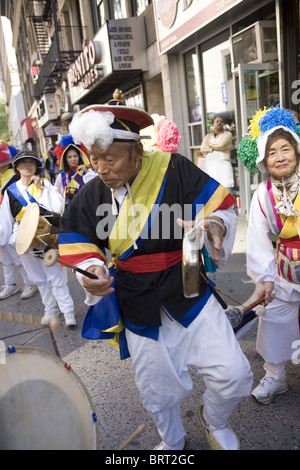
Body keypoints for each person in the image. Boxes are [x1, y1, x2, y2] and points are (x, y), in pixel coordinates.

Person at [58, 93, 253, 451]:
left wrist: (215, 225)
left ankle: (214, 418)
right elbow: (78, 244)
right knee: (157, 390)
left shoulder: (173, 168)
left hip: (187, 287)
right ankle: (173, 439)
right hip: (135, 298)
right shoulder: (91, 193)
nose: (101, 168)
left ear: (136, 152)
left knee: (233, 372)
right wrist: (91, 271)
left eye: (110, 158)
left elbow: (221, 205)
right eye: (95, 158)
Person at [237, 106, 300, 404]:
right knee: (273, 320)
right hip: (285, 270)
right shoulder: (262, 194)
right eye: (272, 152)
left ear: (297, 150)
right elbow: (259, 239)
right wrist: (265, 279)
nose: (280, 157)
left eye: (285, 148)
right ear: (264, 160)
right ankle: (275, 376)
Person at [0, 150, 76, 327]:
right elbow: (5, 220)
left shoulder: (44, 184)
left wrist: (43, 190)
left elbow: (57, 206)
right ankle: (50, 309)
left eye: (31, 163)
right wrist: (4, 239)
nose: (27, 165)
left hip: (47, 236)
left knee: (56, 276)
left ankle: (68, 311)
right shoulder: (10, 191)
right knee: (38, 278)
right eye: (23, 162)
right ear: (17, 167)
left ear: (36, 167)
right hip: (25, 239)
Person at [0, 140, 38, 300]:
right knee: (4, 257)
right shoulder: (3, 178)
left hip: (14, 221)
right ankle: (11, 284)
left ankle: (29, 282)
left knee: (16, 253)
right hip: (3, 221)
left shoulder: (13, 179)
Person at [53, 135, 92, 205]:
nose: (73, 159)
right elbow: (57, 195)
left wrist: (87, 172)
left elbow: (96, 185)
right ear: (66, 159)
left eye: (75, 156)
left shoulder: (87, 171)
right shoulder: (62, 176)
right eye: (69, 157)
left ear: (79, 157)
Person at [199, 116, 234, 192]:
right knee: (213, 198)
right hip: (211, 170)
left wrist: (209, 146)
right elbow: (202, 149)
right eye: (217, 121)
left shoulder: (227, 134)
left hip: (224, 169)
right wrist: (214, 147)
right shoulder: (208, 136)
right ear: (213, 124)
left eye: (221, 121)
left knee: (227, 197)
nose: (219, 123)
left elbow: (222, 145)